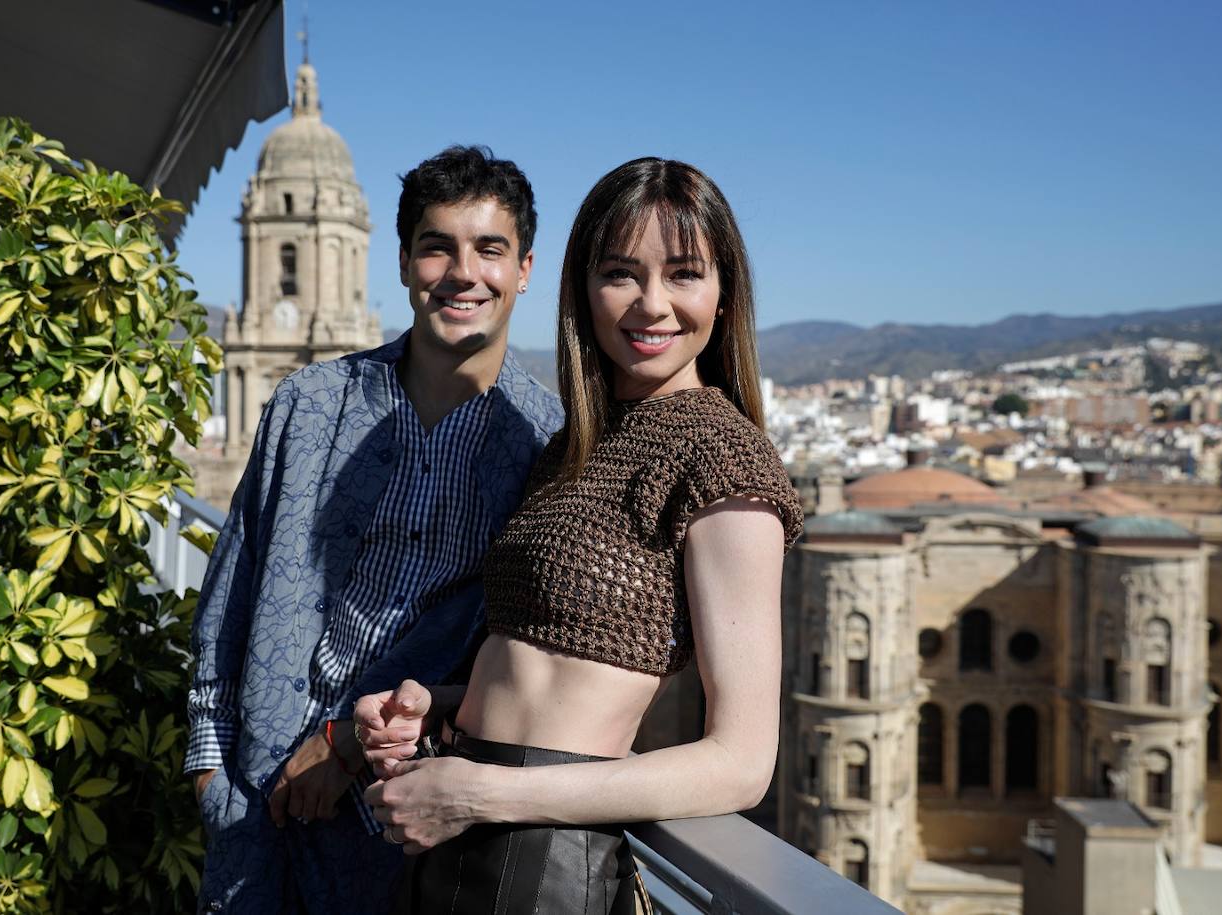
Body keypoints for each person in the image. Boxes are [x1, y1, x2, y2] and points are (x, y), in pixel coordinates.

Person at [355, 158, 803, 914]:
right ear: (583, 290)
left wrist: (486, 792)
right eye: (622, 274)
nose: (652, 304)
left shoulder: (724, 458)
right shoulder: (574, 445)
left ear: (724, 295)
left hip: (538, 854)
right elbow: (556, 672)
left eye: (684, 274)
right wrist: (439, 705)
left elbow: (741, 764)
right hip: (463, 819)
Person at [185, 145, 563, 913]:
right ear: (401, 262)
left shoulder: (547, 448)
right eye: (437, 246)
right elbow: (234, 583)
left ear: (524, 269)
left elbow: (528, 659)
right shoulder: (309, 403)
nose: (463, 272)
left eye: (490, 249)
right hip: (256, 811)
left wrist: (348, 744)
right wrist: (211, 773)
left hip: (402, 837)